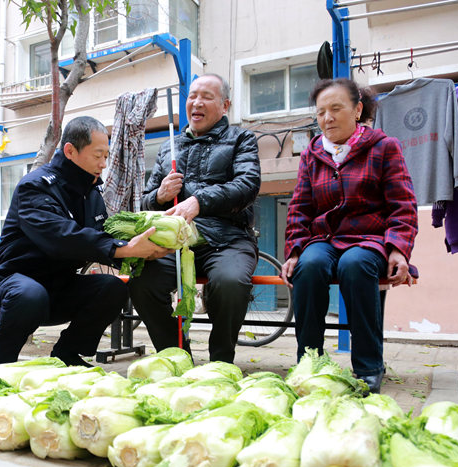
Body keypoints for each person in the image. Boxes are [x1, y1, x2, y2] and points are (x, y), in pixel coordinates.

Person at [0, 116, 169, 372]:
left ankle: (67, 354)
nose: (103, 164)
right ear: (70, 151)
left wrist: (144, 251)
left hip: (60, 290)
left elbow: (100, 238)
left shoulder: (92, 194)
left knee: (113, 287)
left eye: (106, 156)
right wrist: (122, 248)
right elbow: (61, 237)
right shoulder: (35, 186)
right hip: (14, 288)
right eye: (98, 155)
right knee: (30, 294)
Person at [280, 78, 418, 394]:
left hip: (370, 239)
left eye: (336, 108)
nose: (327, 118)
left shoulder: (384, 147)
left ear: (357, 110)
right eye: (320, 112)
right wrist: (295, 251)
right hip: (325, 239)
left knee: (354, 265)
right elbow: (300, 208)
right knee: (309, 267)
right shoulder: (312, 153)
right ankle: (309, 364)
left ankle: (369, 367)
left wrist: (398, 248)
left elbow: (402, 204)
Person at [128, 73, 261, 363]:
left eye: (207, 97)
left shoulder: (241, 139)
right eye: (192, 96)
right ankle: (176, 356)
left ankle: (221, 361)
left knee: (230, 283)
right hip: (176, 242)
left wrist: (199, 201)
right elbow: (145, 201)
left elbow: (247, 185)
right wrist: (160, 195)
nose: (197, 102)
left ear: (225, 105)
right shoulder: (170, 146)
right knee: (141, 282)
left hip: (227, 239)